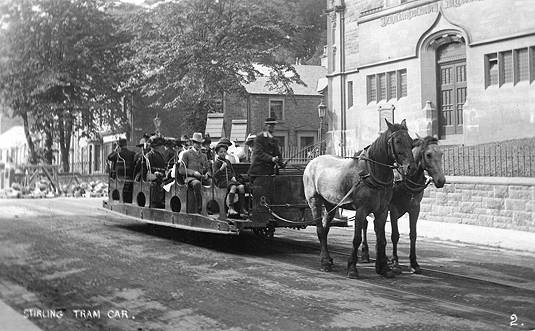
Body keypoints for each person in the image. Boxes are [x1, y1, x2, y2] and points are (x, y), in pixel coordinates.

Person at [177, 132, 211, 213]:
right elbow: (181, 170)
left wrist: (207, 174)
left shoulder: (204, 156)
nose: (199, 145)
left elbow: (208, 169)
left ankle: (209, 206)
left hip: (202, 177)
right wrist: (193, 173)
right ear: (193, 143)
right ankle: (200, 207)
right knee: (197, 184)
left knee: (212, 183)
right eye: (197, 143)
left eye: (200, 143)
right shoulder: (186, 154)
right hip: (190, 178)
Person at [213, 141, 246, 217]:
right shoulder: (216, 163)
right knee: (233, 187)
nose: (223, 153)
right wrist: (221, 168)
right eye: (221, 152)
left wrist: (233, 176)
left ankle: (242, 208)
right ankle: (230, 208)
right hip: (221, 182)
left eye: (224, 152)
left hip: (230, 181)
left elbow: (232, 171)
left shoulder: (227, 161)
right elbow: (215, 175)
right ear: (217, 153)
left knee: (241, 187)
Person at [248, 117, 284, 184]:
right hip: (259, 171)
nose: (272, 127)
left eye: (273, 125)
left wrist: (281, 162)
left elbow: (277, 153)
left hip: (270, 171)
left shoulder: (274, 139)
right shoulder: (259, 138)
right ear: (265, 126)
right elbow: (259, 153)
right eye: (270, 125)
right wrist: (271, 159)